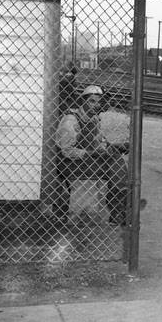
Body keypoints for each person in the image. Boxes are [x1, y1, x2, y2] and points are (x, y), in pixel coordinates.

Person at [54, 85, 130, 225]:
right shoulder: (72, 120)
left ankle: (119, 207)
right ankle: (119, 211)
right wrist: (92, 153)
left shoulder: (94, 120)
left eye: (99, 102)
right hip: (68, 163)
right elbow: (66, 150)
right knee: (115, 165)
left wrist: (114, 147)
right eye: (92, 101)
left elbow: (99, 143)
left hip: (85, 160)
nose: (96, 105)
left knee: (115, 160)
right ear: (83, 101)